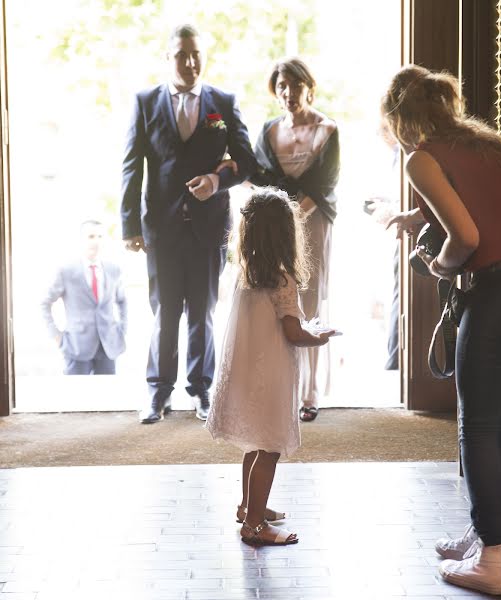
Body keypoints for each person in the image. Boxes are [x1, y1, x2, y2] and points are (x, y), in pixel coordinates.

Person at [384, 65, 501, 595]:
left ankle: (492, 560)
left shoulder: (421, 157)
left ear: (401, 117)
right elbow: (493, 208)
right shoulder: (486, 146)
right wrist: (417, 219)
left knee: (478, 424)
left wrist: (440, 267)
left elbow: (464, 234)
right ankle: (487, 533)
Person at [121, 24, 256, 424]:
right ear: (169, 58)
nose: (191, 62)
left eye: (196, 54)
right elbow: (131, 167)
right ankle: (157, 393)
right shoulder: (145, 102)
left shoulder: (223, 102)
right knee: (163, 312)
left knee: (203, 312)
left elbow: (247, 162)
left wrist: (217, 181)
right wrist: (130, 225)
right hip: (161, 228)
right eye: (182, 55)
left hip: (209, 226)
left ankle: (201, 390)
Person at [206, 188, 336, 545]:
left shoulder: (246, 275)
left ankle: (250, 507)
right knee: (269, 448)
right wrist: (319, 336)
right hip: (272, 377)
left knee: (254, 443)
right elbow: (293, 333)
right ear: (286, 233)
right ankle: (255, 527)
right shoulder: (282, 280)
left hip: (248, 372)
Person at [251, 57, 340, 422]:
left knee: (310, 297)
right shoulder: (270, 131)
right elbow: (258, 176)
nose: (288, 93)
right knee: (277, 297)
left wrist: (294, 216)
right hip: (275, 225)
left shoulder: (327, 130)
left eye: (295, 85)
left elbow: (323, 185)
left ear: (309, 86)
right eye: (282, 86)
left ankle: (310, 392)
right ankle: (279, 383)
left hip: (313, 221)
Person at [41, 219, 128, 375]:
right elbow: (45, 303)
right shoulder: (66, 271)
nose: (96, 241)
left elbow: (122, 301)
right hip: (76, 346)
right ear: (81, 240)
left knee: (107, 396)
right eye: (91, 237)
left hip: (108, 346)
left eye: (100, 237)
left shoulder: (114, 270)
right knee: (76, 395)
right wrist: (56, 336)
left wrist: (122, 330)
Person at [365, 118, 402, 370]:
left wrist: (390, 208)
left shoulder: (407, 153)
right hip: (400, 229)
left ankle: (396, 362)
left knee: (401, 297)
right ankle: (394, 360)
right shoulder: (398, 154)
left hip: (409, 232)